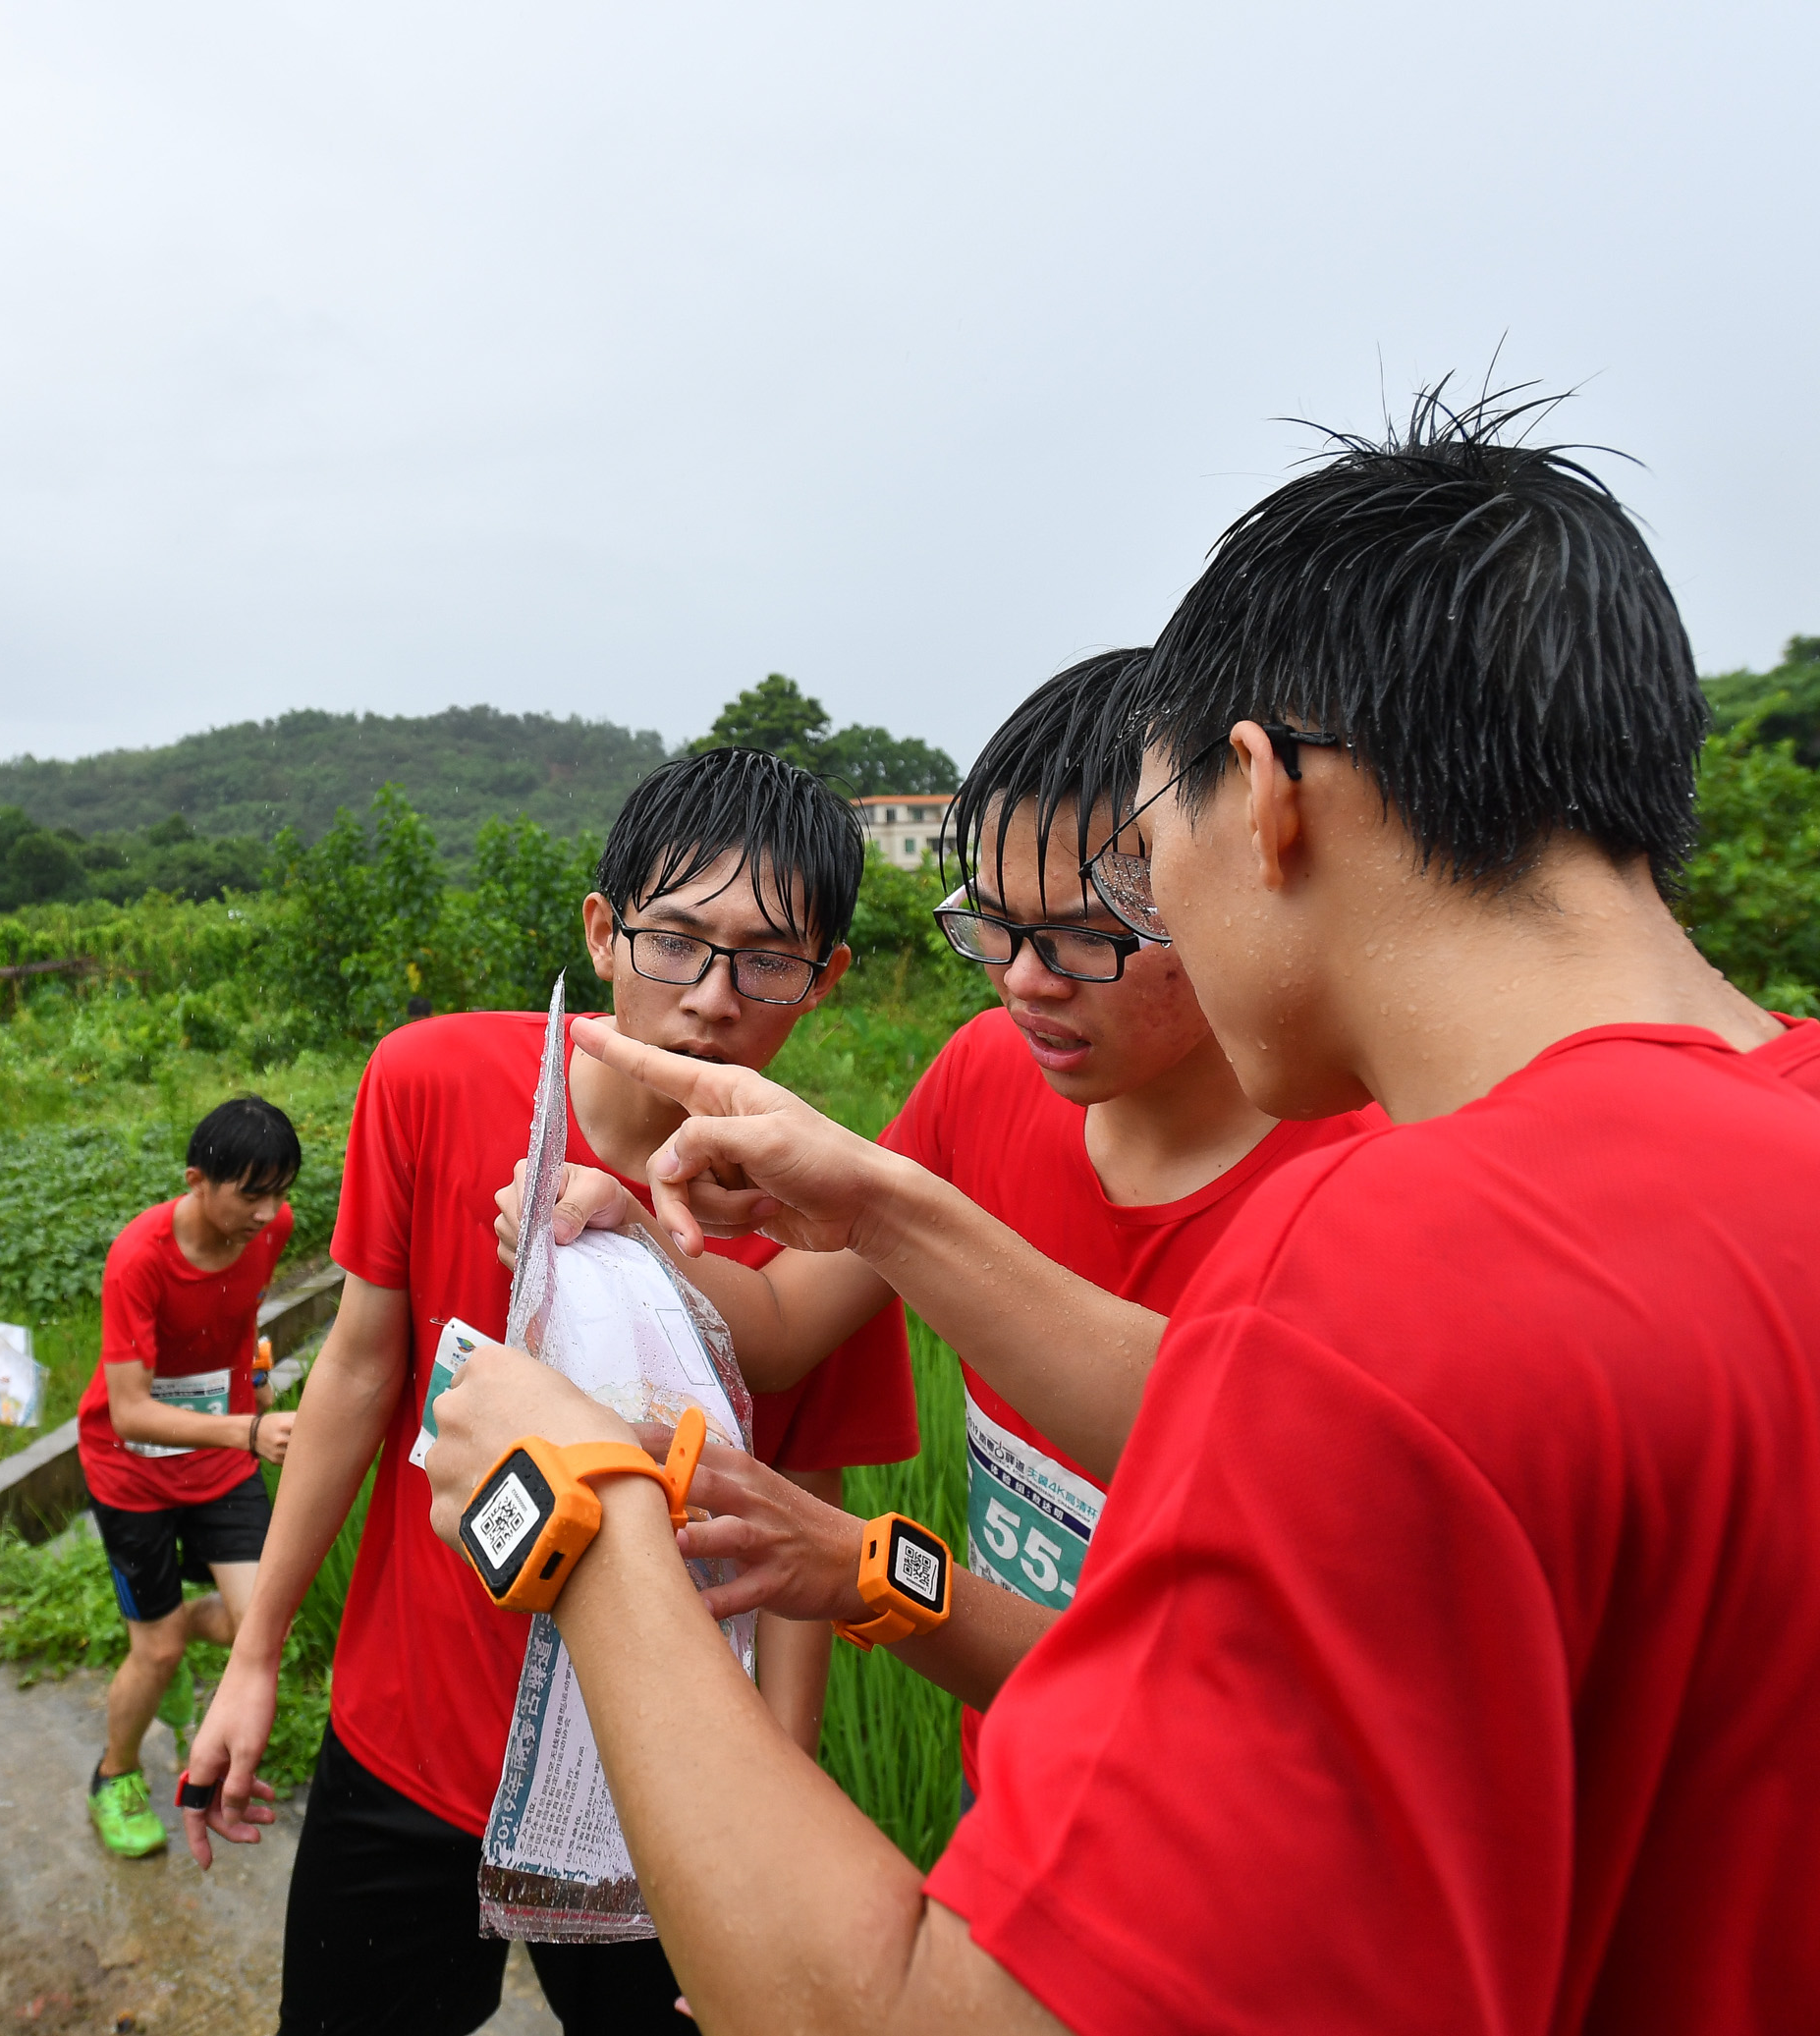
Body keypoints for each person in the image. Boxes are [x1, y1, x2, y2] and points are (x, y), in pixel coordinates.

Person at [421, 393, 1820, 2033]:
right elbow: (1284, 1420)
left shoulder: (1389, 1263)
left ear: (1268, 797)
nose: (1041, 975)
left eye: (1141, 872)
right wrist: (881, 1202)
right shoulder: (1731, 1159)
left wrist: (571, 1513)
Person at [505, 650, 1382, 1788]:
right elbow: (777, 1321)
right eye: (994, 930)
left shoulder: (1367, 1190)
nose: (1023, 982)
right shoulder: (987, 1076)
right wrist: (625, 1226)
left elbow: (1236, 1707)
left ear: (1228, 881)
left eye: (1080, 937)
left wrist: (867, 1569)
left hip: (1220, 1831)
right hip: (1011, 1770)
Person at [184, 746, 917, 2036]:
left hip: (666, 1798)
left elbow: (800, 1503)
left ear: (830, 977)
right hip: (405, 1741)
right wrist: (253, 1658)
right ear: (603, 926)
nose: (712, 997)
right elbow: (362, 1366)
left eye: (770, 961)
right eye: (677, 942)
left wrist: (776, 1810)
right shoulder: (431, 1079)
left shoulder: (821, 1214)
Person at [76, 1095, 305, 1859]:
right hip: (131, 1472)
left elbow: (243, 1316)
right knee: (159, 1649)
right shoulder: (139, 1258)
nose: (267, 1211)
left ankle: (172, 1633)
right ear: (196, 1180)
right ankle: (114, 1775)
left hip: (219, 1460)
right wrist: (248, 1428)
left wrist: (259, 1383)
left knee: (262, 1624)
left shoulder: (272, 1229)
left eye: (278, 1191)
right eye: (250, 1192)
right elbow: (133, 1411)